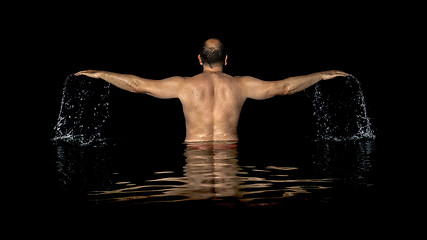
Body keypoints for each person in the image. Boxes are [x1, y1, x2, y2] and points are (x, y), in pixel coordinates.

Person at [75, 38, 348, 143]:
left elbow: (136, 85)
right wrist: (321, 75)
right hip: (231, 153)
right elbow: (286, 88)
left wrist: (101, 73)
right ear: (226, 60)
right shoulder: (241, 85)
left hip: (193, 157)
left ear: (199, 59)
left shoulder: (183, 85)